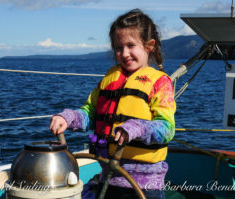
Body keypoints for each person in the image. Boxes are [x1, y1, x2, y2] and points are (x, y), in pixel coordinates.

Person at [50, 8, 176, 199]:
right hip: (107, 177)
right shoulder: (109, 79)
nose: (124, 53)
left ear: (149, 46)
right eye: (118, 47)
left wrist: (137, 127)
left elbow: (167, 129)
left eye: (131, 45)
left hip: (144, 187)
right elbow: (91, 112)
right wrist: (68, 118)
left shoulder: (159, 83)